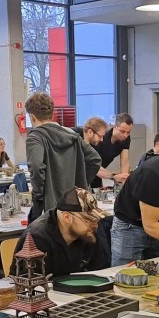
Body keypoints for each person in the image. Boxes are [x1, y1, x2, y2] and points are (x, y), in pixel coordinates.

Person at [24, 92, 101, 223]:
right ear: (52, 114)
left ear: (32, 117)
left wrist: (39, 195)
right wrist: (81, 183)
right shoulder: (72, 135)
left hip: (51, 209)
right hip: (76, 204)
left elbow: (36, 166)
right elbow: (95, 160)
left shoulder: (36, 137)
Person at [13, 188, 110, 278]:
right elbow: (32, 284)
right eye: (88, 220)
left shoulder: (88, 232)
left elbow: (100, 271)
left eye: (96, 219)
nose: (95, 225)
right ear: (67, 217)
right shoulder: (38, 238)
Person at [90, 113, 133, 187]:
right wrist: (114, 176)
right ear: (115, 126)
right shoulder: (101, 137)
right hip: (88, 171)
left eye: (128, 132)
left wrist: (124, 181)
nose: (125, 135)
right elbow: (93, 165)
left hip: (99, 175)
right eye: (122, 131)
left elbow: (125, 162)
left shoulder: (126, 139)